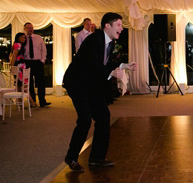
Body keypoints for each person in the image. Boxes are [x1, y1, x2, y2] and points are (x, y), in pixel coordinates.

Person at [62, 12, 134, 172]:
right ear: (107, 26)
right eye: (119, 25)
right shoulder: (94, 40)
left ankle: (97, 158)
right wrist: (112, 73)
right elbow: (93, 64)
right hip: (78, 83)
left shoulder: (110, 42)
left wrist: (122, 66)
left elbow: (107, 62)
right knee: (85, 119)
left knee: (103, 117)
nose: (122, 29)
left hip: (92, 84)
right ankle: (71, 157)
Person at [21, 22, 49, 107]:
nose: (30, 29)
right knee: (29, 84)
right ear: (24, 29)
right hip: (27, 62)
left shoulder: (39, 38)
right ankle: (32, 102)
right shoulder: (23, 39)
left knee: (41, 82)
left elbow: (44, 50)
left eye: (31, 28)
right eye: (28, 28)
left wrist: (42, 60)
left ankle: (42, 101)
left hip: (38, 62)